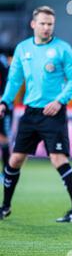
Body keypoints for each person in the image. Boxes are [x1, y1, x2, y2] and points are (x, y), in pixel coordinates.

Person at [0, 6, 72, 222]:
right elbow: (14, 79)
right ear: (33, 24)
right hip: (30, 113)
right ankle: (5, 207)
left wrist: (60, 101)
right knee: (15, 159)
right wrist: (5, 101)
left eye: (50, 24)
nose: (47, 28)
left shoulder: (63, 49)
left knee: (58, 159)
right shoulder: (22, 49)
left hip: (53, 114)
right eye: (43, 23)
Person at [0, 52, 12, 182]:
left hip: (3, 105)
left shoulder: (2, 61)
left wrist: (3, 99)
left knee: (4, 138)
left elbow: (9, 81)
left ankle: (6, 173)